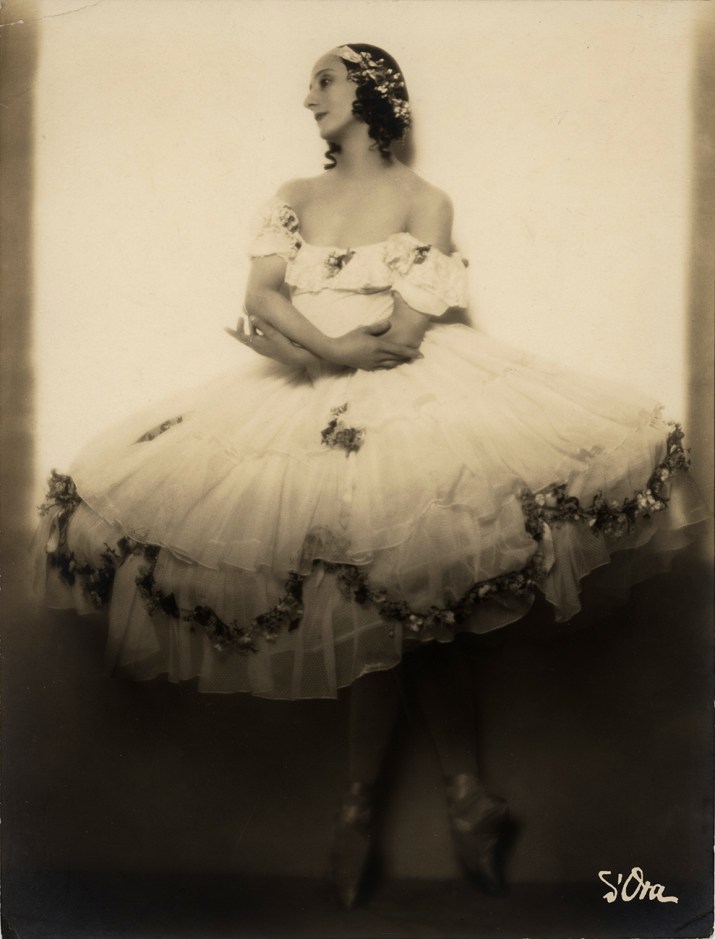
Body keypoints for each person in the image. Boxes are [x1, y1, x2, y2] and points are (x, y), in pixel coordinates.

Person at [36, 43, 705, 909]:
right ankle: (463, 798)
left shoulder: (426, 201)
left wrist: (325, 350)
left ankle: (376, 809)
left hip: (408, 412)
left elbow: (407, 333)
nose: (307, 96)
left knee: (403, 613)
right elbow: (262, 297)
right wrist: (330, 353)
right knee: (392, 616)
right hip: (298, 409)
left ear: (372, 91)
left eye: (324, 80)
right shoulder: (292, 196)